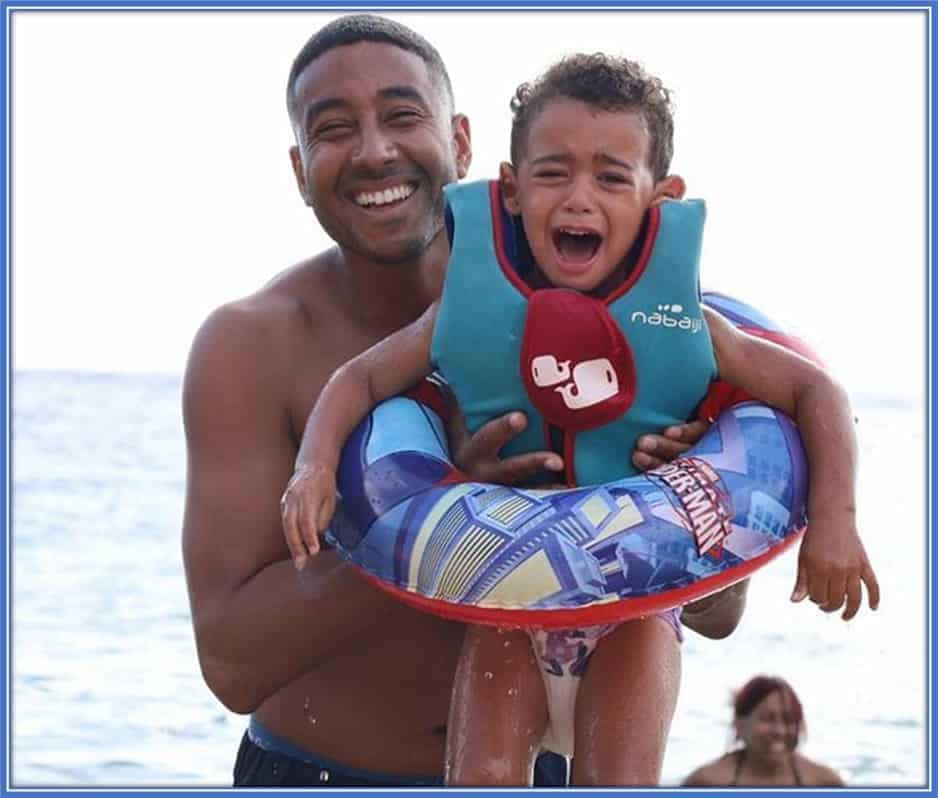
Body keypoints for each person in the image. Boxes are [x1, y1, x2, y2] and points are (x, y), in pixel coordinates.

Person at [279, 53, 880, 786]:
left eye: (611, 176)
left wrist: (835, 524)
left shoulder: (685, 322)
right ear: (510, 189)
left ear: (660, 198)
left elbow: (816, 393)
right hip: (508, 607)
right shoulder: (468, 313)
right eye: (553, 172)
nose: (578, 198)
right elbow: (362, 378)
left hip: (634, 613)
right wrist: (312, 466)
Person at [181, 15, 726, 788]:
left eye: (403, 116)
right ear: (300, 169)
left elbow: (719, 614)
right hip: (321, 772)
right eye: (335, 130)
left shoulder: (600, 309)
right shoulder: (252, 347)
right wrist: (447, 521)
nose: (374, 151)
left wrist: (671, 496)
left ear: (463, 145)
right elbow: (232, 662)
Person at [682, 675, 846, 787]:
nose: (779, 731)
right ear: (739, 724)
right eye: (768, 719)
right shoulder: (708, 782)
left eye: (789, 720)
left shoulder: (824, 782)